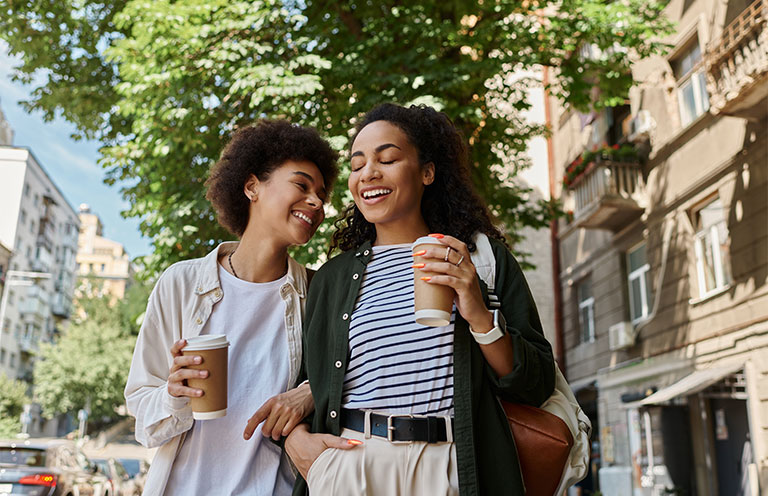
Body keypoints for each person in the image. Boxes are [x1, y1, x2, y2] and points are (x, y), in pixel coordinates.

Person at [284, 103, 557, 495]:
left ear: (427, 171)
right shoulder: (333, 278)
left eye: (388, 159)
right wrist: (297, 442)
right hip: (353, 466)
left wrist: (477, 310)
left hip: (448, 467)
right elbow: (308, 387)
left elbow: (536, 384)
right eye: (357, 164)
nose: (368, 174)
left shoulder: (480, 258)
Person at [124, 120, 341, 496]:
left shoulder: (318, 292)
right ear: (252, 186)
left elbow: (351, 375)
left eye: (321, 194)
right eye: (301, 185)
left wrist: (310, 391)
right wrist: (174, 393)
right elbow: (144, 421)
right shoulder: (181, 283)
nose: (317, 202)